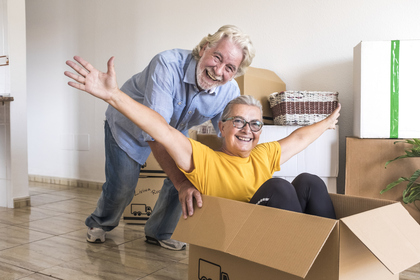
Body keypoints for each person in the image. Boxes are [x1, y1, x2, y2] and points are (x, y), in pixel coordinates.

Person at [65, 55, 341, 224]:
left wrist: (328, 122)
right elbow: (160, 129)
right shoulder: (204, 159)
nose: (248, 129)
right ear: (221, 127)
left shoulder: (264, 154)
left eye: (255, 124)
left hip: (274, 223)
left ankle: (327, 254)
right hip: (243, 231)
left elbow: (300, 137)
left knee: (309, 181)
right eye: (239, 121)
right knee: (280, 187)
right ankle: (296, 256)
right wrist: (113, 95)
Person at [64, 25, 255, 250]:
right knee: (123, 187)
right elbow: (155, 132)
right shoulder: (167, 64)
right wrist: (181, 183)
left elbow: (226, 136)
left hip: (172, 131)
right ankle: (100, 222)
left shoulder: (229, 91)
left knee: (195, 172)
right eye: (217, 57)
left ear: (235, 72)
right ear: (204, 48)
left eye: (229, 67)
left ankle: (159, 231)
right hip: (127, 127)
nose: (219, 70)